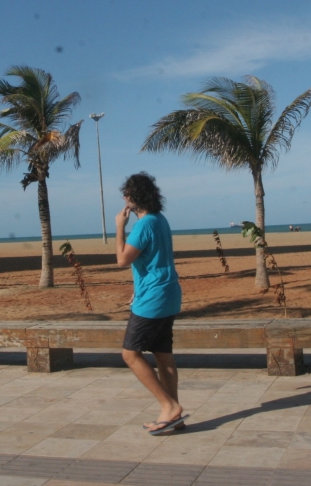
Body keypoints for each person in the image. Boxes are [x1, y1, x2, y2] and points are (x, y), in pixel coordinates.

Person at [115, 172, 185, 435]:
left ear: (134, 198)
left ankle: (169, 406)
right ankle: (174, 414)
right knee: (162, 354)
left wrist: (119, 227)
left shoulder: (143, 225)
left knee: (130, 354)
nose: (124, 198)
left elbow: (123, 260)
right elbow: (153, 260)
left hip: (154, 299)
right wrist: (138, 288)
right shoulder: (160, 220)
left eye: (127, 193)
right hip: (167, 294)